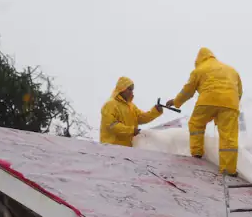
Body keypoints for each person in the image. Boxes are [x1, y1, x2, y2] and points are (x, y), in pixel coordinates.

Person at [166, 47, 243, 176]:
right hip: (230, 103)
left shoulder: (199, 70)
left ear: (199, 59)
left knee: (196, 123)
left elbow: (187, 91)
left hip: (208, 100)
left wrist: (175, 102)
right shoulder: (232, 70)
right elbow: (239, 91)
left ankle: (197, 153)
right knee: (229, 137)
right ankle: (228, 170)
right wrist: (229, 106)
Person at [99, 77, 162, 146]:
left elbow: (141, 118)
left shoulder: (131, 106)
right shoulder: (110, 104)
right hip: (111, 149)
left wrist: (155, 111)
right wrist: (132, 131)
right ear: (122, 88)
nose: (131, 92)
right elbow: (112, 126)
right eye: (129, 89)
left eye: (132, 90)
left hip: (128, 149)